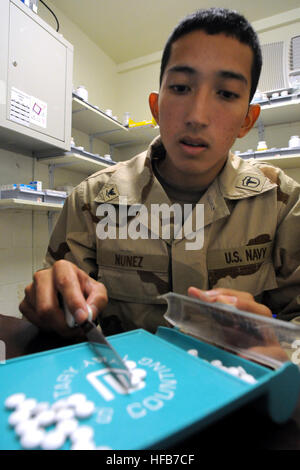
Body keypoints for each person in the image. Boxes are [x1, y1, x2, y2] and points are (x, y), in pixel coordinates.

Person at [19, 7, 300, 338]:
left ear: (247, 120)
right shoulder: (91, 200)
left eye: (225, 93)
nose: (197, 116)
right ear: (156, 107)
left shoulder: (282, 202)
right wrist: (53, 307)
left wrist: (279, 345)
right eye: (181, 88)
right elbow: (58, 308)